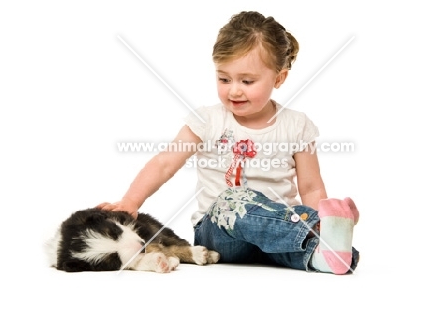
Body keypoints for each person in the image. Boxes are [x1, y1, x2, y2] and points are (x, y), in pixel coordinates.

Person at [98, 11, 359, 274]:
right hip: (220, 235)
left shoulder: (297, 126)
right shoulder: (208, 120)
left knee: (305, 237)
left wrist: (318, 220)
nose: (234, 90)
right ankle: (320, 230)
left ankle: (328, 254)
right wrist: (131, 201)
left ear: (279, 78)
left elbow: (312, 188)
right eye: (224, 79)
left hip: (277, 235)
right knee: (233, 198)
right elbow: (165, 163)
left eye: (247, 81)